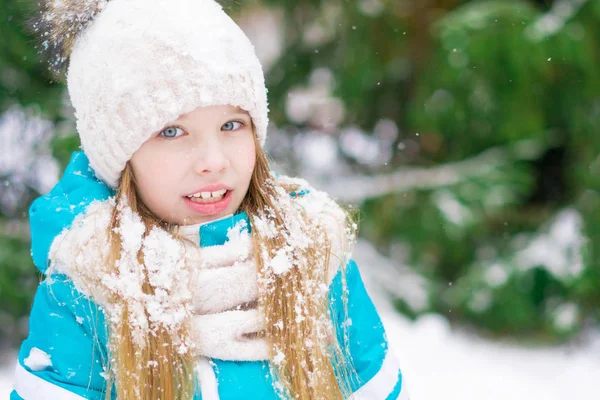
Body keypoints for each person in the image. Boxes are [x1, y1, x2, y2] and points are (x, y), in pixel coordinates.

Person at [11, 0, 408, 399]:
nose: (214, 162)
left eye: (231, 125)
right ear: (119, 156)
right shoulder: (89, 290)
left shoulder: (315, 259)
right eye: (172, 132)